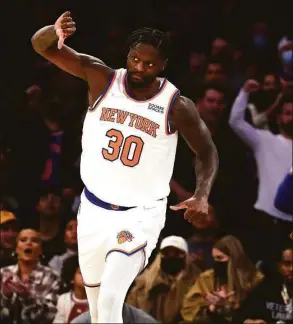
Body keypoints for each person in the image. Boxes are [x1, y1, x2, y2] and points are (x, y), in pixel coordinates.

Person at [31, 11, 218, 324]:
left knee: (109, 300)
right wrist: (53, 30)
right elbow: (41, 46)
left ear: (162, 66)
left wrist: (202, 193)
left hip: (140, 215)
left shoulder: (176, 105)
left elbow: (207, 151)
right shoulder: (101, 78)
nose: (140, 68)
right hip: (92, 210)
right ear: (127, 56)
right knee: (98, 311)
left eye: (149, 63)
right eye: (135, 59)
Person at [229, 79, 292, 264]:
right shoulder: (263, 141)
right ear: (279, 117)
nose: (292, 117)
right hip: (268, 222)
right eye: (288, 113)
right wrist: (244, 92)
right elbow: (236, 122)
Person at [180, 235, 263, 324]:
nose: (216, 262)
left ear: (234, 258)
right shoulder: (207, 278)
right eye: (214, 258)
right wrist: (211, 307)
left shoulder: (255, 279)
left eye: (220, 258)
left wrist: (227, 305)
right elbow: (188, 310)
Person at [127, 236, 201, 323]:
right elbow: (131, 312)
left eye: (177, 253)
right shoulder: (143, 283)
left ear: (186, 256)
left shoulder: (197, 282)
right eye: (166, 253)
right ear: (160, 256)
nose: (172, 256)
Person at [0, 229, 60, 324]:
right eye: (23, 240)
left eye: (34, 240)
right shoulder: (3, 273)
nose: (29, 243)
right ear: (16, 248)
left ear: (40, 250)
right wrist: (5, 297)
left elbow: (49, 316)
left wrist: (28, 298)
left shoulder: (51, 276)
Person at [235, 246, 293, 324]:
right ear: (277, 264)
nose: (291, 268)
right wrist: (248, 321)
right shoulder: (263, 288)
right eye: (287, 263)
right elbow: (241, 316)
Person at [54, 255, 88, 323]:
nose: (87, 276)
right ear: (71, 278)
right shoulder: (63, 299)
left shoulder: (98, 300)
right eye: (81, 273)